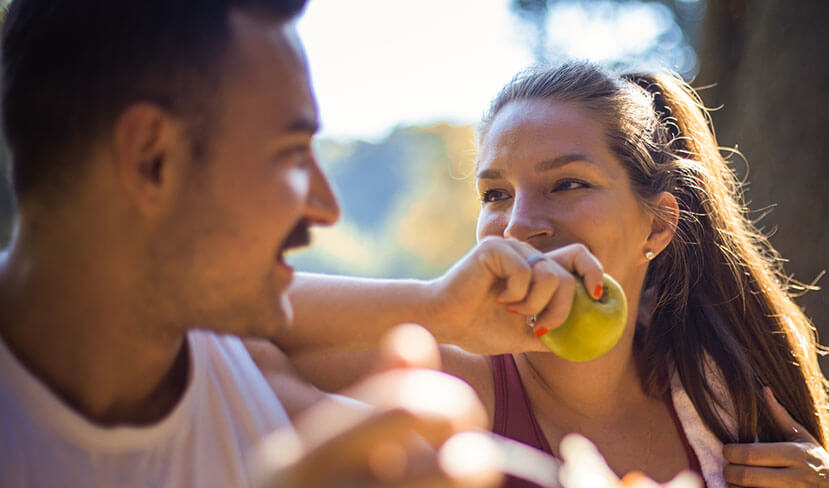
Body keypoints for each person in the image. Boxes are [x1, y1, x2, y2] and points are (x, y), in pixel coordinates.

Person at [267, 62, 829, 488]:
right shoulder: (444, 384)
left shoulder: (727, 403)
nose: (519, 225)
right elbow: (205, 320)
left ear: (656, 226)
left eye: (567, 184)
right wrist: (435, 307)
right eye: (495, 193)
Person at [0, 1, 498, 486]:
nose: (326, 208)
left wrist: (446, 310)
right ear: (153, 159)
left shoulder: (250, 374)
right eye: (291, 156)